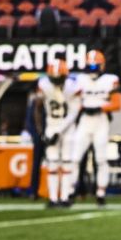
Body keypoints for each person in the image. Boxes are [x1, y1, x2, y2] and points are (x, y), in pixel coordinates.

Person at [69, 50, 121, 206]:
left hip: (100, 121)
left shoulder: (110, 80)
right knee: (75, 158)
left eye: (95, 66)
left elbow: (117, 104)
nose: (92, 70)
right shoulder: (80, 79)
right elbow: (73, 101)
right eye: (90, 66)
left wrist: (100, 108)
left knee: (101, 158)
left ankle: (100, 193)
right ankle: (70, 191)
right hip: (85, 121)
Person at [41, 59, 81, 208]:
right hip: (51, 126)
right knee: (52, 164)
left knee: (66, 162)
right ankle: (52, 198)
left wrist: (58, 131)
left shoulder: (73, 87)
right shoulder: (44, 85)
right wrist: (44, 131)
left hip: (67, 128)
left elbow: (73, 113)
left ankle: (64, 197)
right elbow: (39, 107)